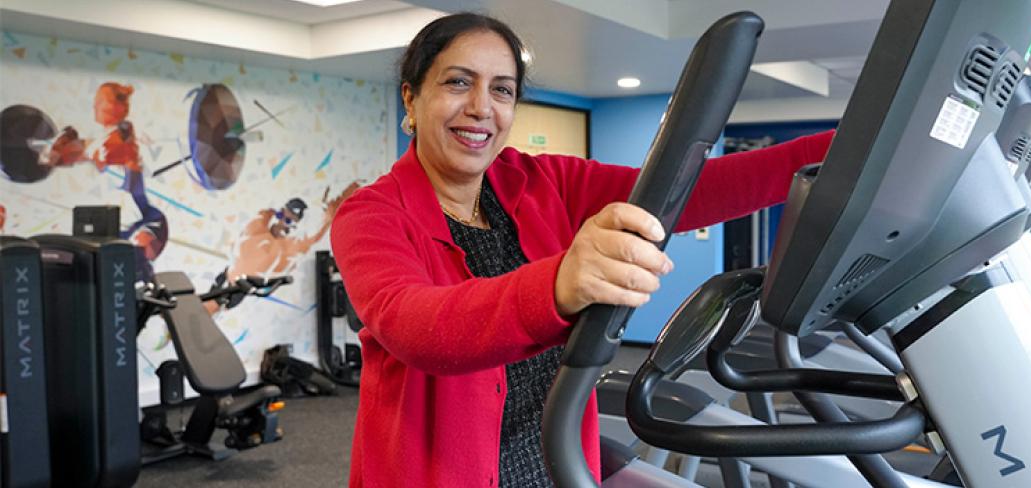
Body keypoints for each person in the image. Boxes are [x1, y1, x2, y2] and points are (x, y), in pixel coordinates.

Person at [330, 12, 835, 488]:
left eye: (501, 90)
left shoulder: (544, 181)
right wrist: (557, 285)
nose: (482, 107)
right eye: (458, 82)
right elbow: (418, 327)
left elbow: (691, 191)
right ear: (411, 101)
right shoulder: (371, 216)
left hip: (554, 460)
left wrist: (844, 153)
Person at [205, 184, 357, 314]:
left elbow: (315, 236)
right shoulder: (258, 228)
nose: (283, 222)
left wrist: (330, 214)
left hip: (237, 290)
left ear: (295, 225)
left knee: (205, 313)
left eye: (289, 220)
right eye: (281, 215)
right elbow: (264, 210)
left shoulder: (288, 248)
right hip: (225, 278)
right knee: (201, 311)